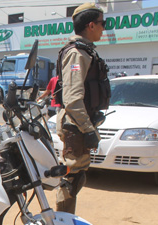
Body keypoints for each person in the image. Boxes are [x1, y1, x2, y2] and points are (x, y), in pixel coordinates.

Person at [55, 2, 110, 214]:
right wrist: (88, 129)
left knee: (77, 174)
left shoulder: (86, 52)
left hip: (80, 124)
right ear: (91, 25)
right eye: (101, 23)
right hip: (75, 126)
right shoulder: (77, 54)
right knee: (72, 176)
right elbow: (72, 99)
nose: (103, 28)